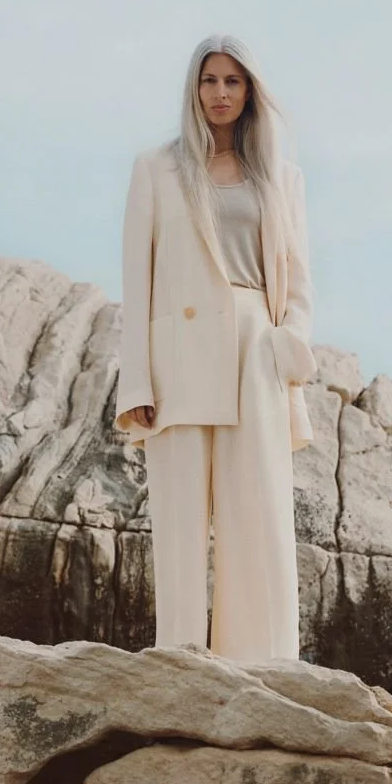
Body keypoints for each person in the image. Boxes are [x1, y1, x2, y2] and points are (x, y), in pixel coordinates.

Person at [114, 33, 317, 662]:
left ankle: (265, 672)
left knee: (258, 524)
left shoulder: (282, 178)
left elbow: (298, 278)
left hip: (255, 357)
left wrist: (289, 348)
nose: (220, 93)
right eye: (209, 81)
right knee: (177, 529)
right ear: (193, 89)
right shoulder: (156, 168)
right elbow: (137, 280)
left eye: (233, 81)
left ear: (249, 90)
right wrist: (137, 384)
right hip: (179, 362)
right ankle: (180, 669)